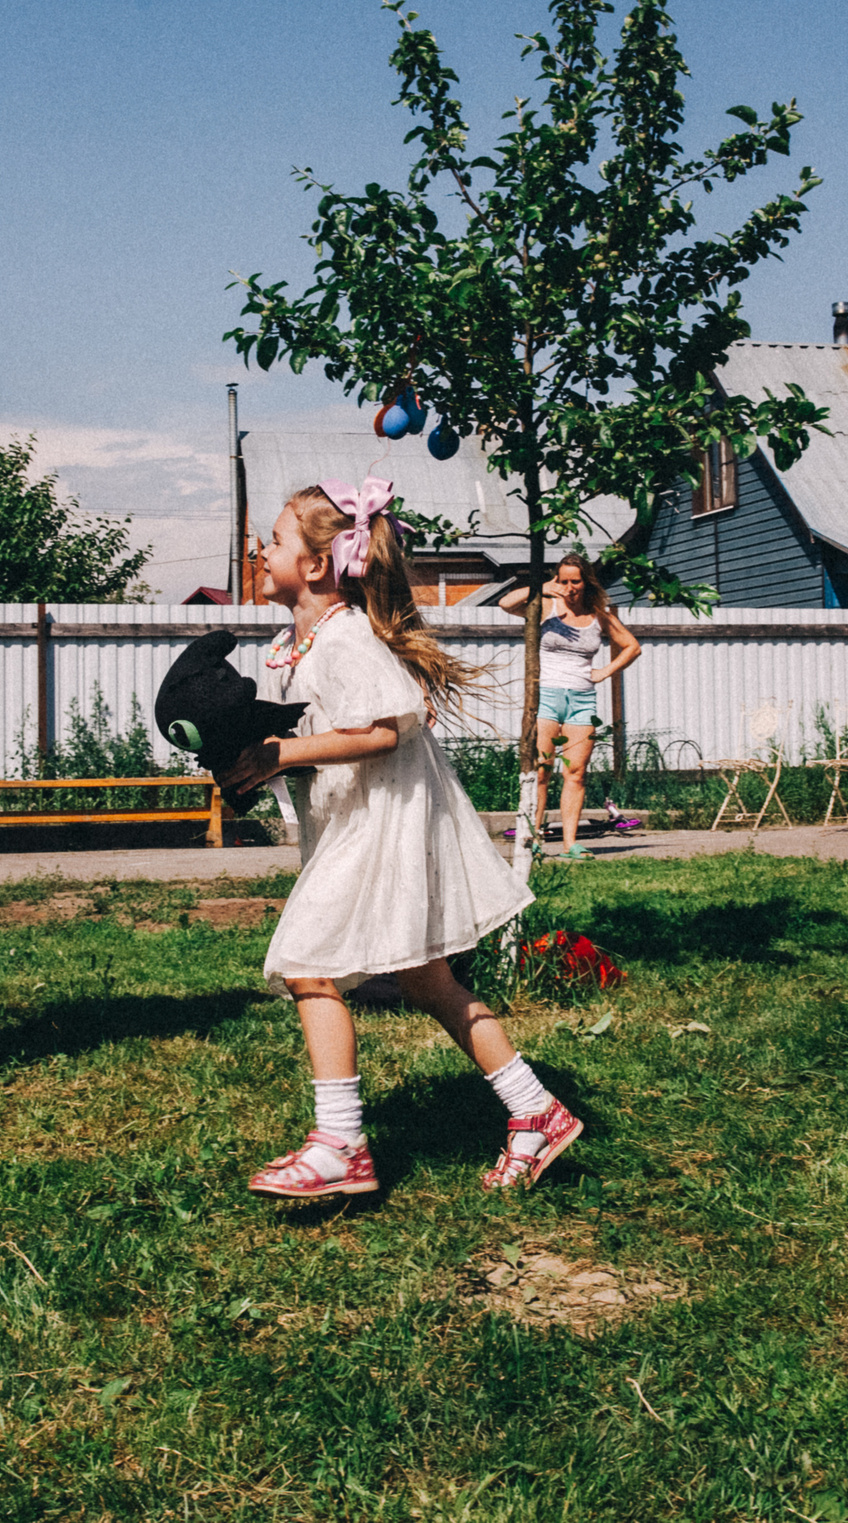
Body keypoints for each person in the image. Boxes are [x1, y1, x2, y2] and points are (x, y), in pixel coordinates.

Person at [220, 479, 576, 1197]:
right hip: (360, 821)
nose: (263, 551)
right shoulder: (307, 639)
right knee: (428, 978)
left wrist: (280, 755)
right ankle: (537, 1109)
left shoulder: (346, 635)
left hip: (380, 826)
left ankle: (340, 1144)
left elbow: (383, 730)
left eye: (278, 542)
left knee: (307, 962)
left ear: (317, 565)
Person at [496, 552, 642, 859]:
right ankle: (533, 840)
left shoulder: (598, 615)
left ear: (586, 582)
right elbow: (506, 604)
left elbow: (632, 647)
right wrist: (542, 588)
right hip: (546, 697)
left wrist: (604, 672)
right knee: (541, 770)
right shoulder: (546, 606)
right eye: (564, 580)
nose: (570, 586)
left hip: (582, 700)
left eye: (575, 581)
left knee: (575, 773)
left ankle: (570, 844)